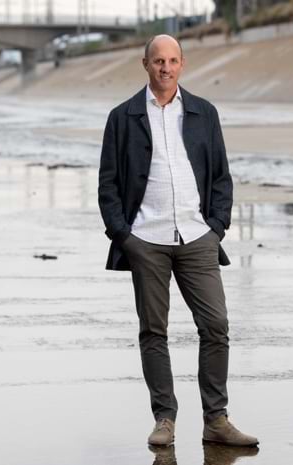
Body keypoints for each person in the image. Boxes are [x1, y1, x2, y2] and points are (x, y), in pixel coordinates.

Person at [97, 34, 258, 448]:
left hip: (197, 236)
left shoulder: (204, 112)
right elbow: (108, 184)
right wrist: (124, 236)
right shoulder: (123, 116)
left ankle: (216, 419)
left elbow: (221, 178)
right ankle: (164, 419)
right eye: (157, 61)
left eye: (172, 61)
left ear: (182, 64)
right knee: (154, 331)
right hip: (145, 239)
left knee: (216, 326)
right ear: (145, 64)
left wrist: (216, 226)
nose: (165, 68)